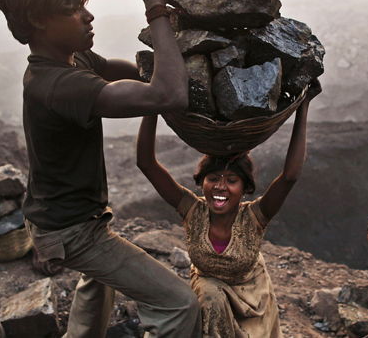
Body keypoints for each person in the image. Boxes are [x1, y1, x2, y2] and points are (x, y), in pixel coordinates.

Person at [0, 0, 200, 337]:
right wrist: (156, 10)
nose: (88, 16)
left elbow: (141, 75)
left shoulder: (73, 60)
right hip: (72, 231)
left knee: (97, 287)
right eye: (74, 9)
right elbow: (168, 94)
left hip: (63, 217)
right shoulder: (58, 85)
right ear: (39, 20)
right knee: (178, 303)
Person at [136, 86, 317, 337]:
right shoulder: (193, 211)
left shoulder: (255, 216)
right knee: (210, 294)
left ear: (245, 188)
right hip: (209, 298)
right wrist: (154, 102)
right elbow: (146, 163)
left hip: (252, 301)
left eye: (231, 180)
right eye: (213, 178)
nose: (220, 187)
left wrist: (302, 108)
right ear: (202, 182)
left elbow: (290, 176)